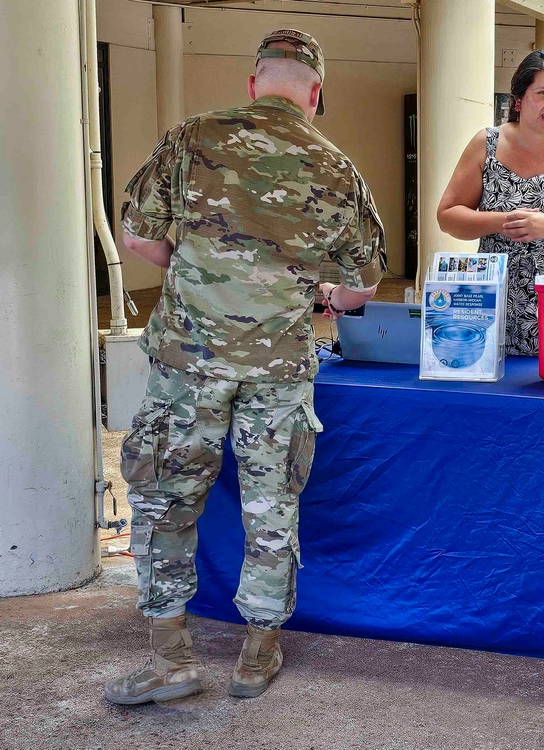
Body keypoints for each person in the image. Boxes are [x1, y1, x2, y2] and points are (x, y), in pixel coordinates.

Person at [104, 29, 385, 705]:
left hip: (187, 360)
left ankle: (171, 658)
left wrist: (203, 277)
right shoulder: (337, 168)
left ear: (256, 81)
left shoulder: (190, 137)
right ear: (315, 93)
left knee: (167, 498)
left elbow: (137, 234)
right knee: (271, 506)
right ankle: (256, 657)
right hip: (278, 368)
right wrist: (305, 290)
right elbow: (360, 289)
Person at [437, 50, 544, 355]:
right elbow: (448, 216)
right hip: (490, 304)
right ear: (518, 99)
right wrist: (502, 221)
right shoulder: (486, 143)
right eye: (543, 93)